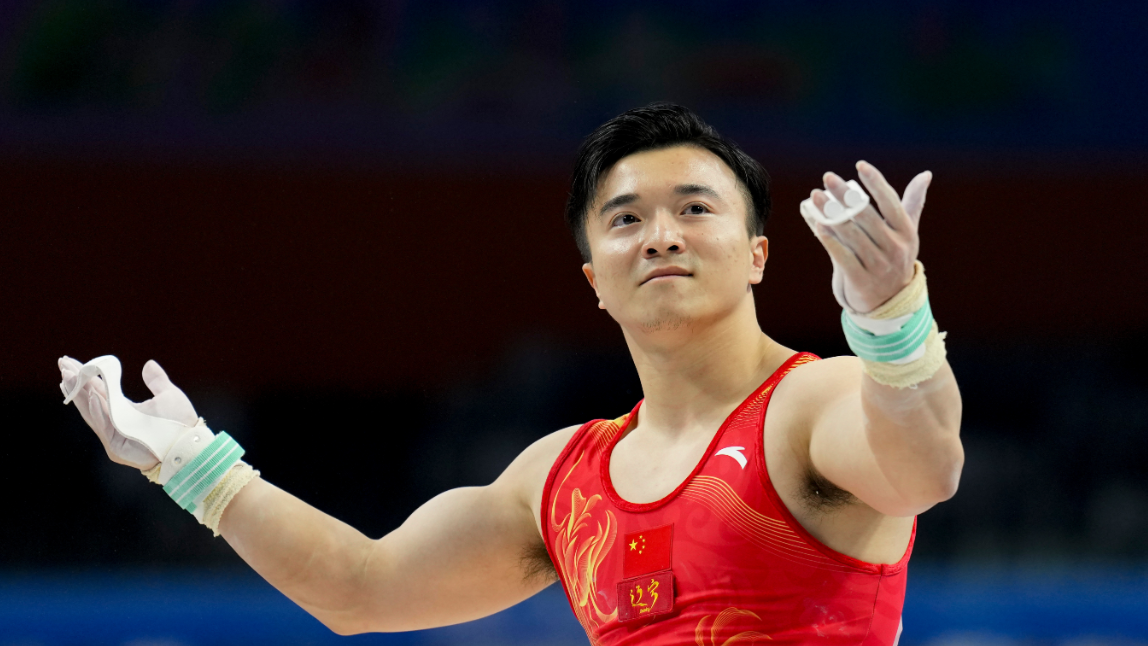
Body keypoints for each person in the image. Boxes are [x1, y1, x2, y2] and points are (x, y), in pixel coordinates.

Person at [59, 103, 962, 645]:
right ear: (594, 279)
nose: (661, 236)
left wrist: (892, 323)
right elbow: (363, 590)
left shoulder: (811, 404)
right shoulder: (558, 480)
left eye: (695, 208)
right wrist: (196, 467)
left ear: (758, 253)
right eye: (625, 219)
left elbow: (926, 471)